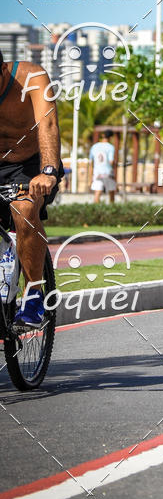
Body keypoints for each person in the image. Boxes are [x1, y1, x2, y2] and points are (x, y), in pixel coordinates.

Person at [0, 54, 62, 328]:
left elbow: (47, 124)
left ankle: (34, 294)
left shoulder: (32, 78)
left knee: (23, 208)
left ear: (2, 70)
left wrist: (48, 171)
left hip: (31, 164)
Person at [89, 130, 116, 203]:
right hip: (108, 173)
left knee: (97, 193)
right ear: (110, 137)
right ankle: (112, 210)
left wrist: (90, 177)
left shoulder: (94, 146)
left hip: (97, 173)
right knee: (111, 193)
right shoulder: (111, 147)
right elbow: (111, 161)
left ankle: (96, 210)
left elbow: (91, 162)